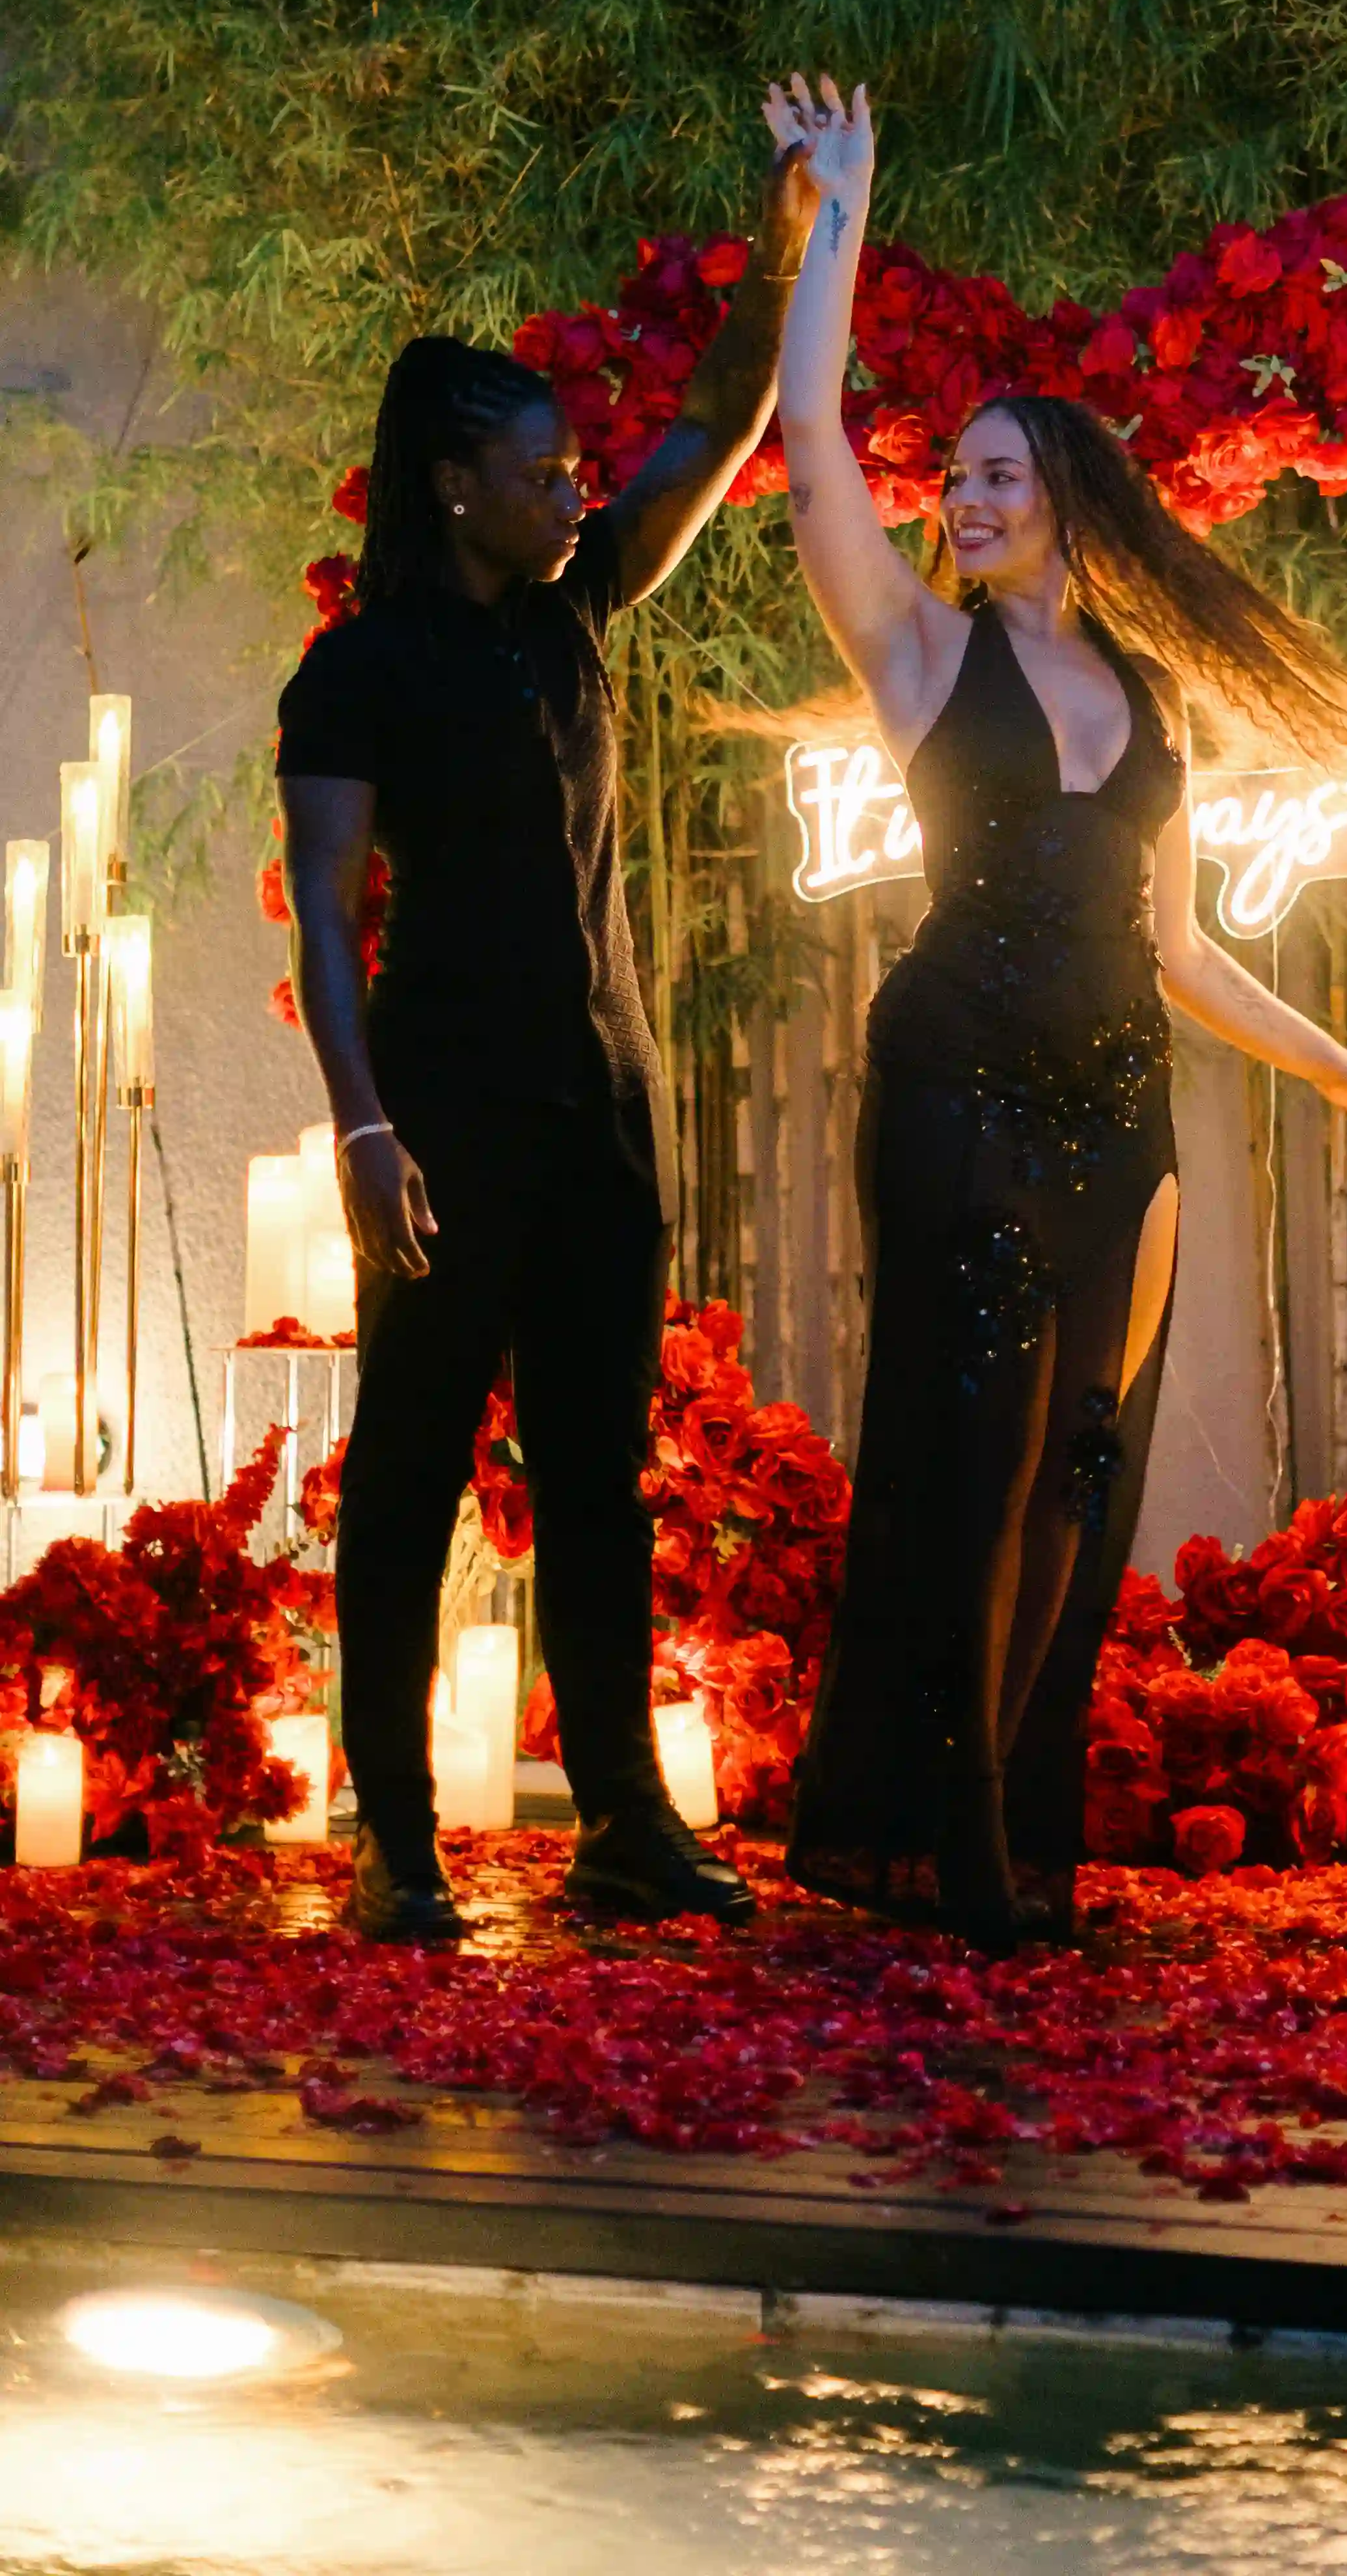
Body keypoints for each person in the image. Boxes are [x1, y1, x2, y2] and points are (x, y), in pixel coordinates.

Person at [767, 73, 1347, 1947]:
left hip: (1120, 1110)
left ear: (1064, 494)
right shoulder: (914, 651)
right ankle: (962, 1833)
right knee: (971, 1463)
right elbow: (812, 428)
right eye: (953, 478)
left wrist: (1342, 1063)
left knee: (1078, 1470)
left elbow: (1181, 948)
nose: (959, 496)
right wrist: (842, 212)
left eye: (993, 473)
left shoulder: (1148, 701)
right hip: (957, 1082)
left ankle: (1008, 1796)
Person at [276, 144, 813, 1943]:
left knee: (600, 1471)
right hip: (442, 1107)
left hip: (604, 1101)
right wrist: (364, 1134)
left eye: (573, 461)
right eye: (540, 468)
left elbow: (716, 432)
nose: (575, 483)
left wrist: (785, 252)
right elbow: (328, 914)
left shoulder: (583, 603)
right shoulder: (358, 673)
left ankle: (619, 1825)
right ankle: (396, 1837)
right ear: (453, 488)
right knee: (412, 1463)